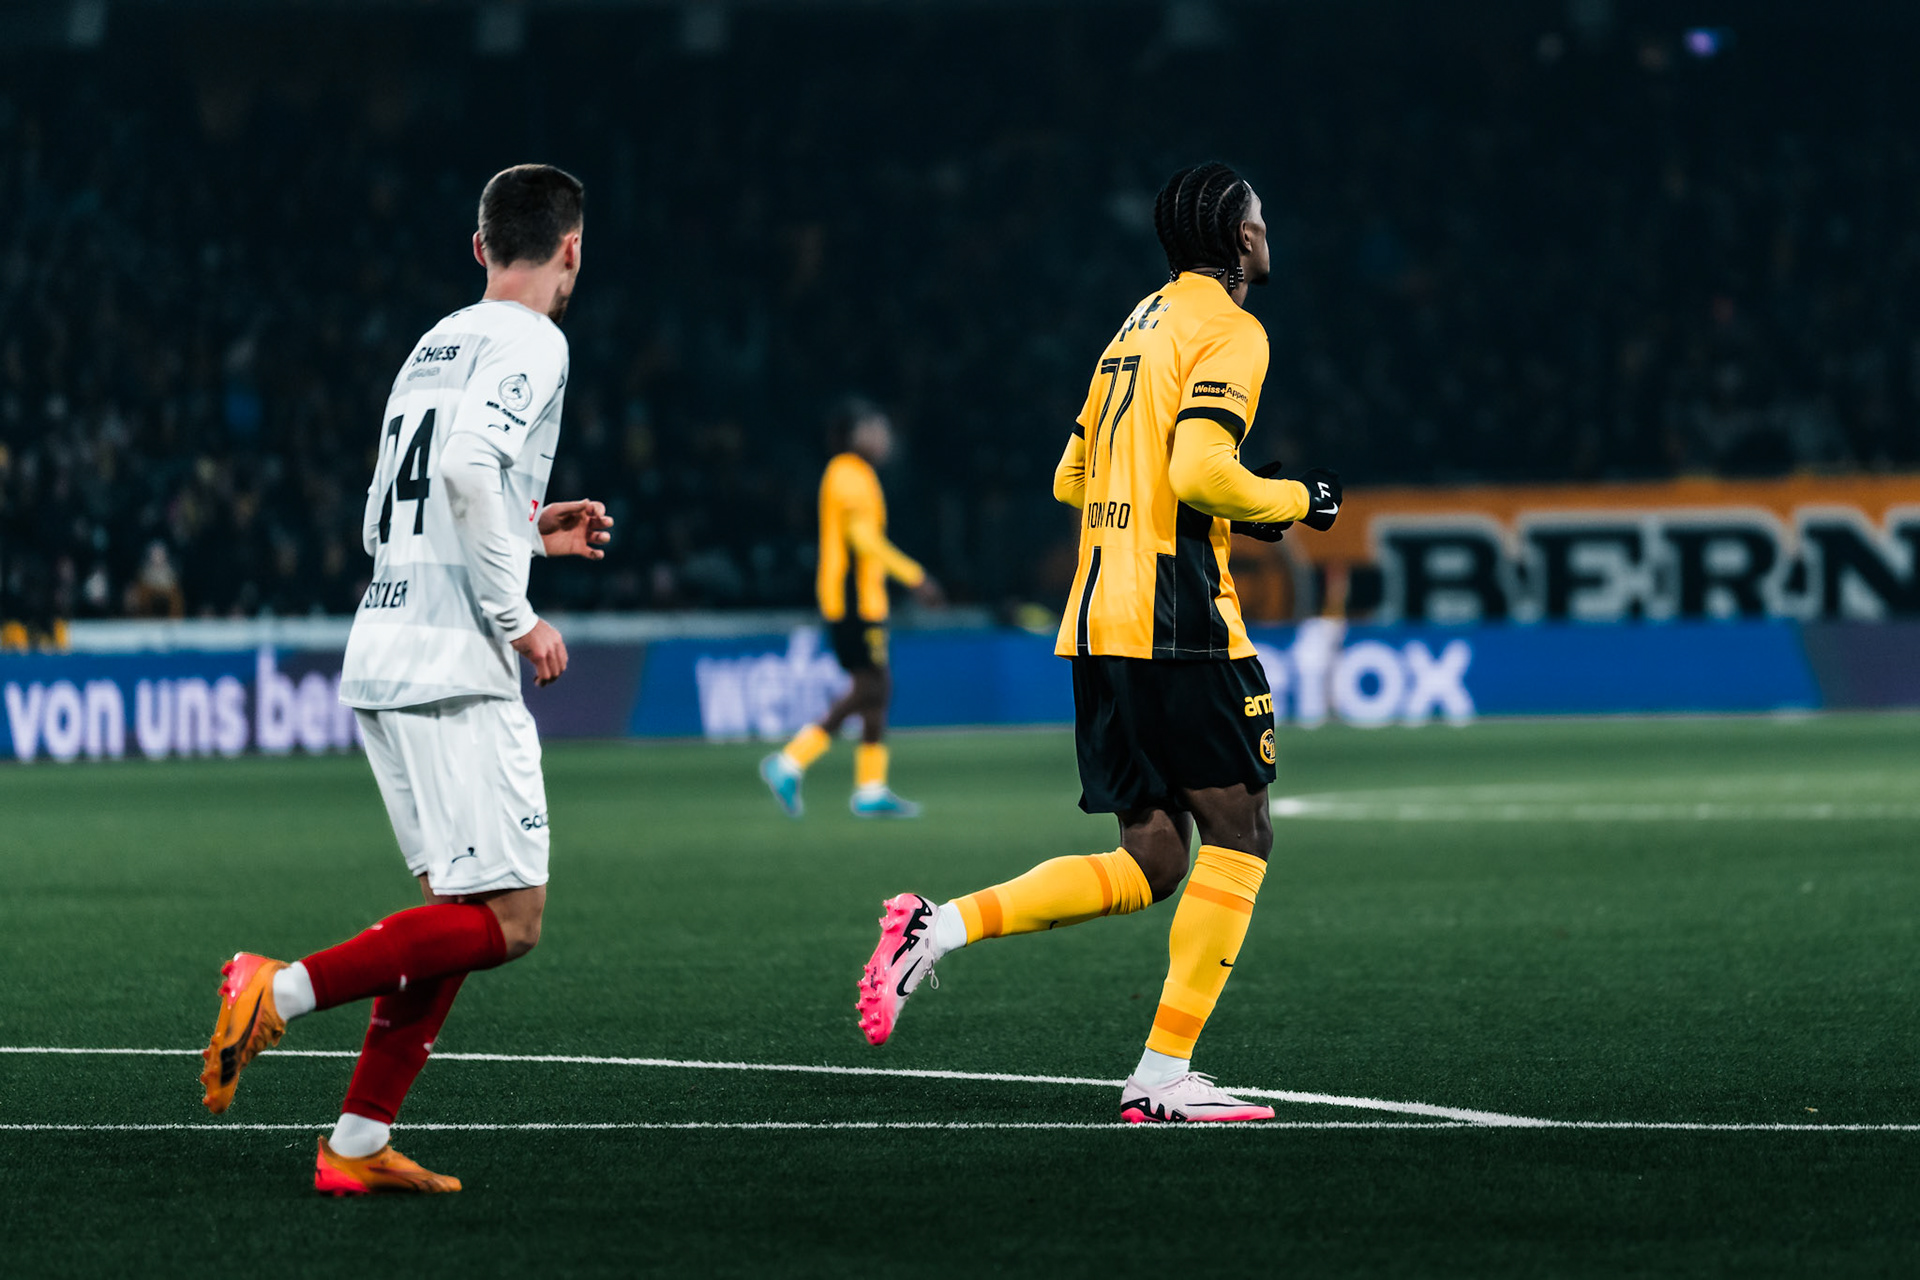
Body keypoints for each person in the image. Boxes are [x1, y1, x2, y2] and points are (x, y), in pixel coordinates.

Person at [854, 162, 1343, 1123]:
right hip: (1177, 618)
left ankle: (935, 930)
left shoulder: (1135, 325)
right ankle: (1162, 1075)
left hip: (1098, 619)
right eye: (1257, 216)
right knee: (1242, 833)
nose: (1265, 229)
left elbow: (1070, 478)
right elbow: (1201, 470)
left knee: (1154, 860)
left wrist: (1189, 503)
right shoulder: (1230, 329)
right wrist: (1297, 500)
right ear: (1238, 239)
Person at [197, 164, 613, 1192]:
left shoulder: (433, 344)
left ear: (479, 247)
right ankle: (277, 990)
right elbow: (467, 470)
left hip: (385, 643)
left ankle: (355, 1144)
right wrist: (519, 616)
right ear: (571, 248)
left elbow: (392, 514)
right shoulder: (535, 340)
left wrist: (530, 534)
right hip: (455, 662)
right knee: (511, 921)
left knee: (452, 921)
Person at [761, 399, 941, 818]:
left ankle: (870, 788)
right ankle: (790, 761)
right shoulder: (848, 474)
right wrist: (915, 576)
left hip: (861, 600)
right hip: (853, 602)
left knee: (877, 689)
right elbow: (863, 539)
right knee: (870, 688)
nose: (884, 437)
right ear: (856, 435)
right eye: (876, 429)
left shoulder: (856, 474)